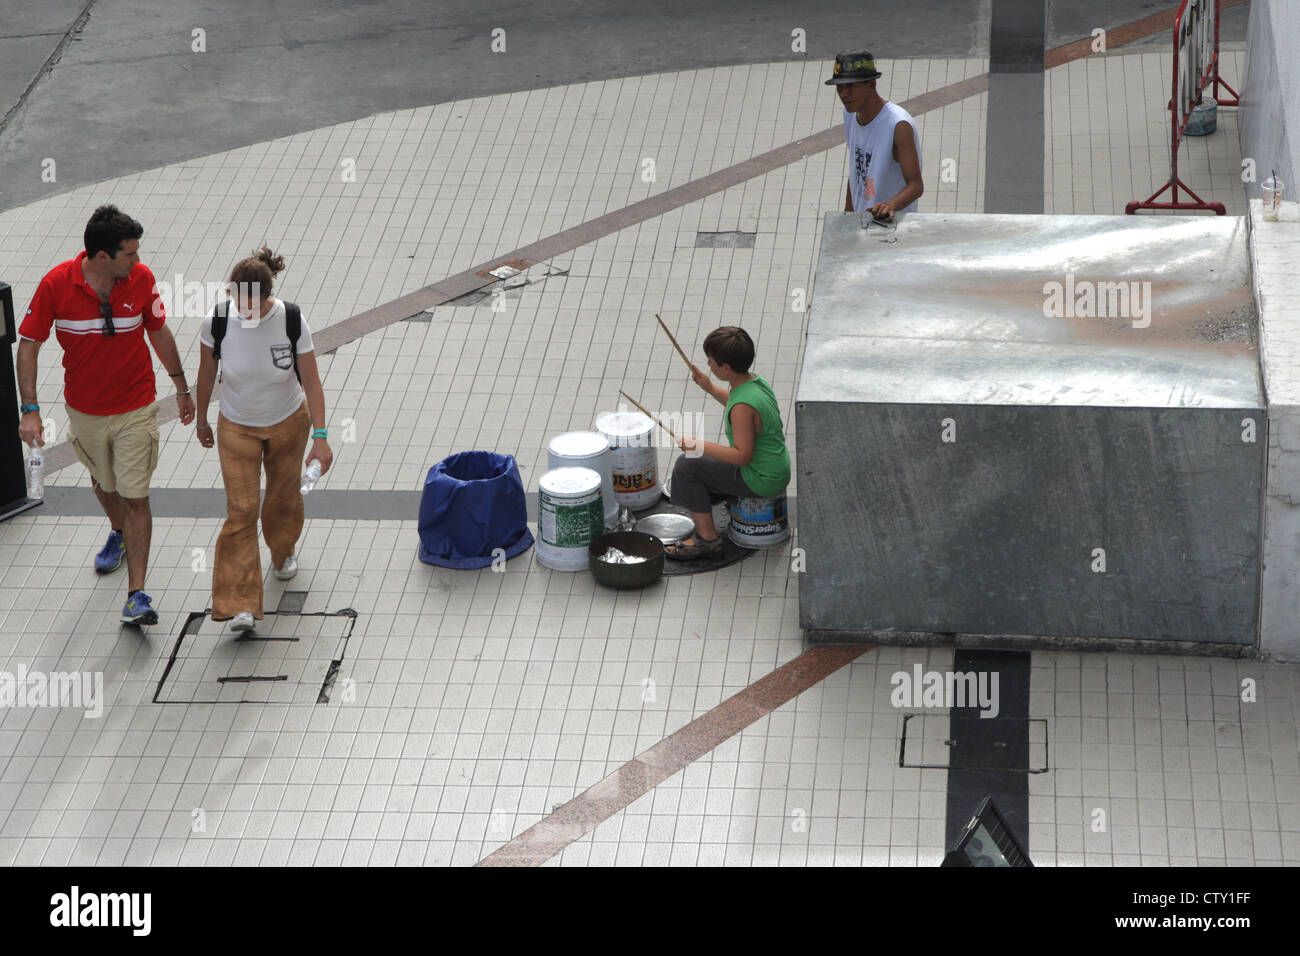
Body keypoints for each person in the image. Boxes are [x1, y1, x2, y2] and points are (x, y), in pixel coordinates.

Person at [17, 205, 195, 626]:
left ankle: (137, 595)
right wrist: (30, 409)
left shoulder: (141, 280)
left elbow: (157, 330)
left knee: (136, 496)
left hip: (136, 406)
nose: (137, 261)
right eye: (129, 254)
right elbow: (28, 344)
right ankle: (117, 530)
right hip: (86, 411)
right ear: (102, 257)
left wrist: (181, 387)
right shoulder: (56, 286)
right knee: (104, 483)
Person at [194, 247, 333, 632]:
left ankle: (282, 550)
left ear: (267, 297)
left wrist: (320, 437)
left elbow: (312, 381)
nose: (246, 312)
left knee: (281, 498)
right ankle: (240, 605)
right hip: (236, 427)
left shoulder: (291, 319)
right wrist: (202, 420)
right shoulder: (217, 321)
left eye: (253, 305)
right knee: (241, 511)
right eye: (239, 302)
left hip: (289, 423)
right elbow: (206, 373)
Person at [666, 327, 790, 560]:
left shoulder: (742, 407)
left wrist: (697, 445)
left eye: (711, 361)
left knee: (687, 465)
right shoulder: (755, 383)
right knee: (706, 460)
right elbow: (736, 401)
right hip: (774, 468)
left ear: (726, 368)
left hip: (761, 478)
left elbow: (742, 456)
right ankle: (719, 496)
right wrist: (709, 387)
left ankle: (707, 540)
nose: (708, 364)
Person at [826, 50, 924, 219]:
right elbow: (857, 172)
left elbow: (916, 186)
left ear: (871, 84)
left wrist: (890, 205)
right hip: (862, 223)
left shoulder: (898, 125)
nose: (844, 95)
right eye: (840, 87)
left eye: (850, 86)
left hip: (892, 228)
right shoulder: (850, 113)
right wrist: (847, 219)